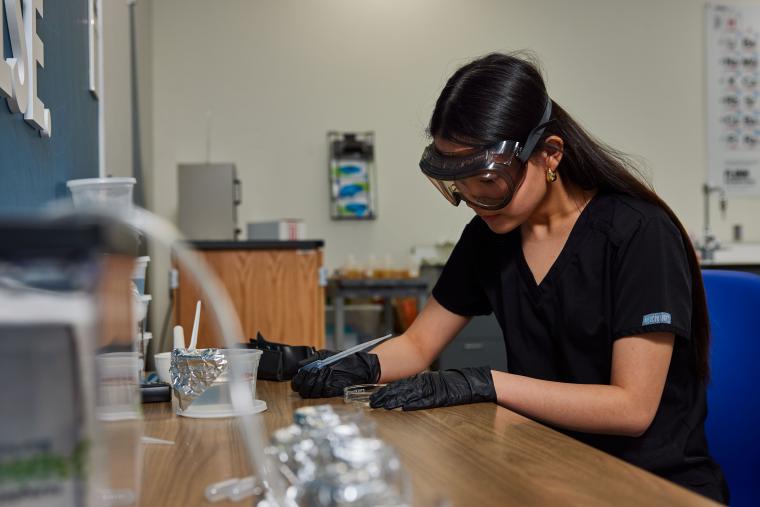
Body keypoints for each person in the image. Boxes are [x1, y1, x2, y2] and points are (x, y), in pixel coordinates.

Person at [292, 53, 728, 503]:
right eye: (457, 183)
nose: (475, 199)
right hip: (547, 467)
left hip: (648, 484)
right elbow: (418, 345)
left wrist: (485, 382)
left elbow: (631, 407)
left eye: (488, 180)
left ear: (550, 154)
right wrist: (337, 366)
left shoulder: (638, 233)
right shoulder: (488, 237)